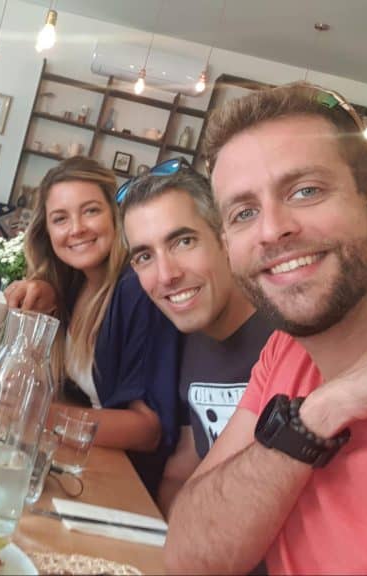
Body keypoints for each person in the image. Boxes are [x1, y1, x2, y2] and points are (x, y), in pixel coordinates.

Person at [164, 83, 367, 574]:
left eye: (306, 191)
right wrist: (320, 413)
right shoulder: (287, 351)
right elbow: (190, 555)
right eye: (244, 213)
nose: (272, 229)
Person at [20, 156, 181, 495]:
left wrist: (37, 414)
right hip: (87, 460)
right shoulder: (75, 284)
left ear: (116, 216)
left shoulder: (136, 289)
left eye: (90, 211)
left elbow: (147, 429)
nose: (76, 228)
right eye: (60, 218)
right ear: (46, 231)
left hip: (126, 482)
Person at [117, 162, 273, 513]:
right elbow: (183, 469)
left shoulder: (290, 333)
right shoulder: (185, 340)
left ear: (224, 240)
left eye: (183, 242)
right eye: (145, 256)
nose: (166, 275)